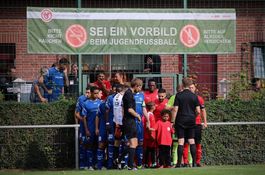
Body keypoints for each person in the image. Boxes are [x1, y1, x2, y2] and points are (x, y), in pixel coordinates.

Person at [171, 78, 200, 168]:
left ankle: (179, 163)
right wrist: (193, 116)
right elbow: (198, 111)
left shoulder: (179, 95)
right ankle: (194, 163)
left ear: (183, 85)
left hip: (180, 120)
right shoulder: (194, 96)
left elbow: (175, 109)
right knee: (191, 140)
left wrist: (173, 121)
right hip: (191, 120)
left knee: (181, 141)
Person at [117, 78, 142, 170]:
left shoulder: (129, 93)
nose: (140, 90)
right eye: (140, 87)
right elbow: (129, 109)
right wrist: (138, 115)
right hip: (129, 121)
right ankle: (131, 166)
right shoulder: (129, 94)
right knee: (132, 143)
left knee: (133, 143)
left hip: (129, 121)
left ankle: (119, 159)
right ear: (136, 86)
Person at [182, 83, 208, 167]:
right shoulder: (184, 98)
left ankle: (197, 161)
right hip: (187, 124)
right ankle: (185, 162)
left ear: (195, 88)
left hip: (196, 124)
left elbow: (203, 110)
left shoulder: (199, 98)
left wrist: (205, 122)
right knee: (186, 143)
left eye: (192, 87)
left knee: (197, 143)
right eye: (189, 87)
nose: (191, 89)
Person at [81, 86, 102, 170]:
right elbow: (84, 118)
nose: (96, 95)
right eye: (95, 93)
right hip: (90, 128)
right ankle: (90, 165)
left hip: (100, 128)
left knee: (99, 146)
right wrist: (86, 129)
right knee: (90, 146)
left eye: (98, 93)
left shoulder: (101, 102)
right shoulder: (86, 103)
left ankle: (98, 164)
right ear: (91, 93)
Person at [75, 87, 91, 169]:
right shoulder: (81, 99)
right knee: (82, 144)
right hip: (83, 127)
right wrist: (83, 120)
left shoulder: (95, 100)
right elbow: (76, 114)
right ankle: (82, 164)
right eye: (87, 92)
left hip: (91, 127)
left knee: (91, 145)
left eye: (89, 92)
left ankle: (90, 164)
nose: (88, 94)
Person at [134, 89, 148, 169]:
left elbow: (144, 109)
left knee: (140, 143)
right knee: (129, 143)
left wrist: (148, 120)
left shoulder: (141, 96)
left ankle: (139, 164)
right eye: (139, 86)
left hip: (139, 123)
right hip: (131, 123)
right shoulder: (129, 95)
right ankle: (125, 163)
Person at [143, 101, 157, 168]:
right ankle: (149, 163)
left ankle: (149, 163)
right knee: (150, 150)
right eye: (154, 105)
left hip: (150, 135)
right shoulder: (149, 114)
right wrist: (151, 134)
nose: (155, 106)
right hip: (149, 135)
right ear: (152, 107)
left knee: (150, 150)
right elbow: (147, 126)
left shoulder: (151, 114)